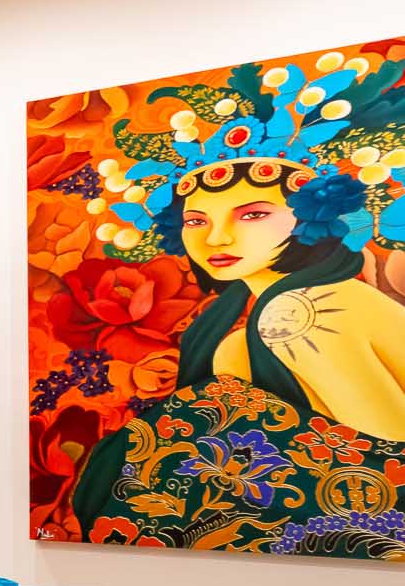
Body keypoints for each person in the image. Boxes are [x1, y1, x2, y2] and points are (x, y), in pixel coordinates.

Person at [66, 54, 405, 555]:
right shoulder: (246, 317)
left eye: (252, 215)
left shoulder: (304, 314)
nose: (217, 237)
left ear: (310, 216)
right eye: (197, 221)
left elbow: (386, 474)